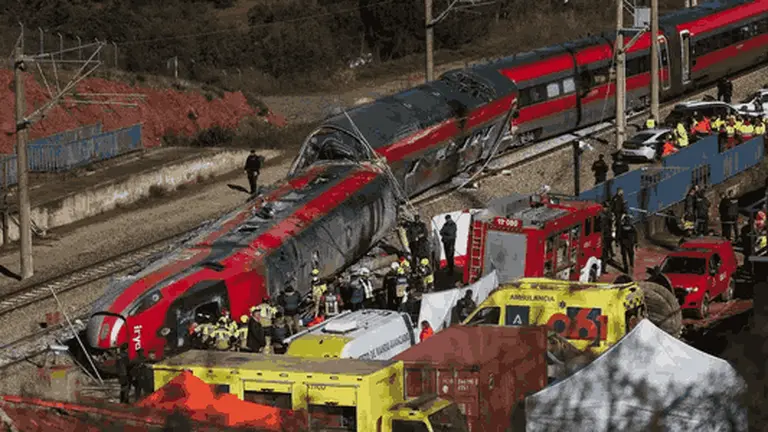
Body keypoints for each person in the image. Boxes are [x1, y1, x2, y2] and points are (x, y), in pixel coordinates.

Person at [600, 205, 614, 273]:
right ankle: (603, 269)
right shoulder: (605, 218)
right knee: (604, 256)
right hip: (604, 240)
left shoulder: (602, 216)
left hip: (604, 238)